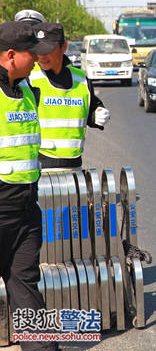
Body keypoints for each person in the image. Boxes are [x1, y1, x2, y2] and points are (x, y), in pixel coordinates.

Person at [0, 21, 58, 350]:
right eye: (30, 55)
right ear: (10, 56)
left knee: (27, 292)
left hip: (24, 214)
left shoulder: (25, 92)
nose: (37, 60)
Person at [27, 22, 109, 170]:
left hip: (74, 168)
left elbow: (90, 107)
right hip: (40, 167)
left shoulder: (81, 79)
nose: (42, 56)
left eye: (48, 50)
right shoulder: (29, 79)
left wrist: (97, 114)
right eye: (38, 50)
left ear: (63, 47)